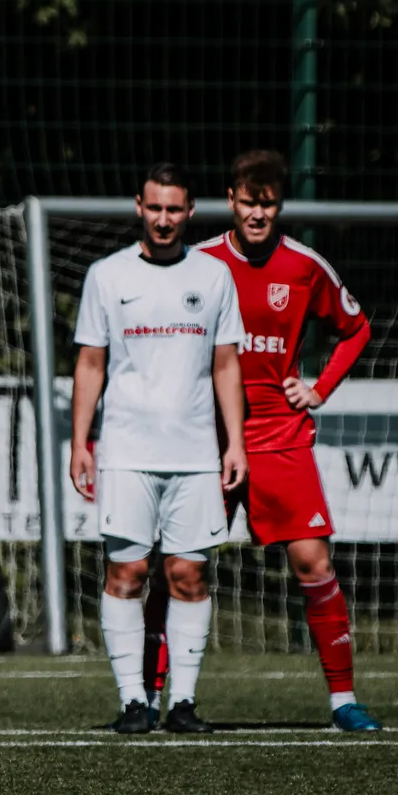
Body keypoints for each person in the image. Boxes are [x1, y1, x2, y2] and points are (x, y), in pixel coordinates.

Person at [149, 149, 379, 731]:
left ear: (279, 206)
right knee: (180, 567)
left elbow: (356, 329)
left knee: (313, 563)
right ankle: (149, 700)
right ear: (231, 201)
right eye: (249, 203)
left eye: (268, 204)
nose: (258, 214)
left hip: (280, 437)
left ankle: (343, 701)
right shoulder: (198, 263)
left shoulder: (304, 265)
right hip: (205, 440)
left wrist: (319, 388)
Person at [69, 162, 247, 735]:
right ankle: (133, 702)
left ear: (190, 211)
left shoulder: (214, 276)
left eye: (174, 209)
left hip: (195, 454)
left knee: (189, 576)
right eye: (155, 208)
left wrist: (234, 443)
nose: (164, 219)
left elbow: (226, 364)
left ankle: (183, 703)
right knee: (126, 572)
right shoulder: (107, 275)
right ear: (138, 208)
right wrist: (80, 441)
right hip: (125, 452)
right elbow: (90, 362)